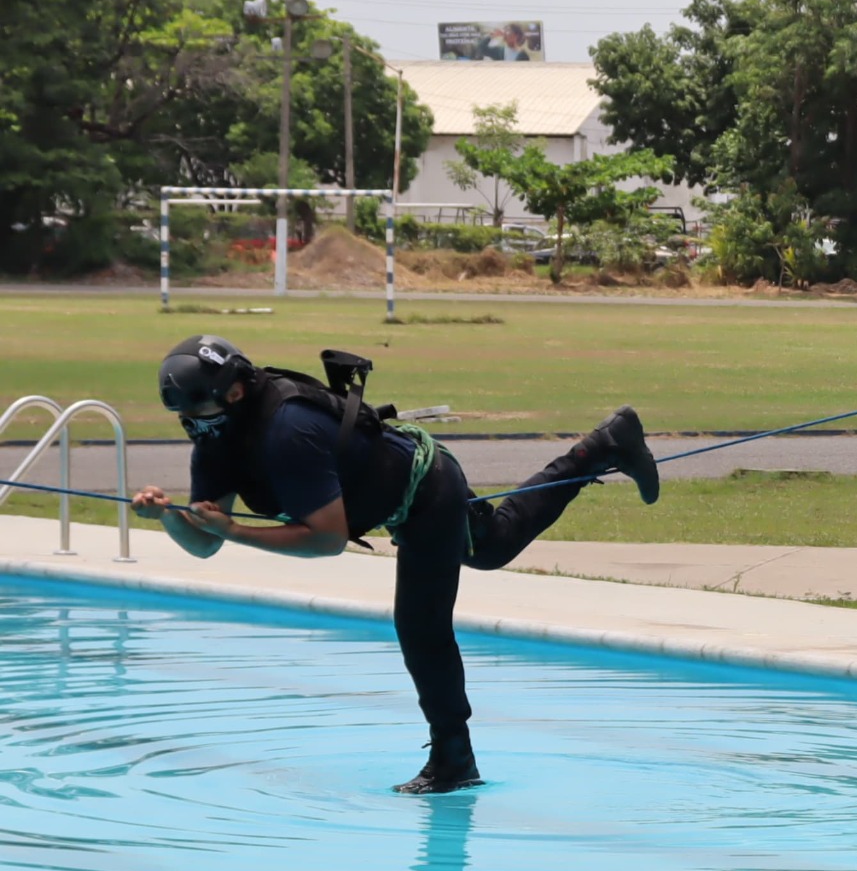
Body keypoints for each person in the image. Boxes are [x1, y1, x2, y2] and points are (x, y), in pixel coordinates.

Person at [134, 335, 661, 794]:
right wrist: (167, 516)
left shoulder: (288, 431)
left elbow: (326, 539)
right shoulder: (218, 440)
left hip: (427, 487)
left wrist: (235, 531)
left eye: (196, 413)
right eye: (183, 418)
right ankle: (603, 445)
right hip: (405, 495)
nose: (191, 426)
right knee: (494, 545)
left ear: (234, 393)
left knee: (420, 626)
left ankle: (454, 762)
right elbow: (203, 544)